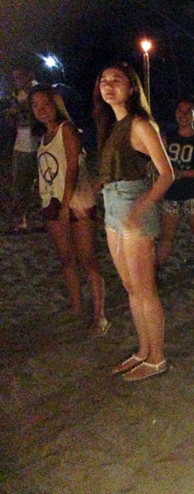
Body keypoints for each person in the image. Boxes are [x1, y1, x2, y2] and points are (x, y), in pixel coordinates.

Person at [93, 62, 174, 381]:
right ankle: (143, 350)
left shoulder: (140, 125)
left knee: (145, 288)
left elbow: (166, 174)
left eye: (116, 80)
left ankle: (158, 358)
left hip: (132, 203)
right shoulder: (112, 125)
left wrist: (141, 206)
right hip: (113, 206)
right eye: (104, 80)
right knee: (130, 287)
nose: (108, 85)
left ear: (132, 88)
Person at [31, 85, 109, 335]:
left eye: (46, 104)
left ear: (55, 104)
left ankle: (99, 315)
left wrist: (66, 206)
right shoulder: (44, 137)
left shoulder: (67, 130)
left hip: (77, 202)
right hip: (52, 202)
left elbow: (73, 168)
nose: (41, 110)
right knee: (66, 258)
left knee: (88, 259)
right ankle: (76, 306)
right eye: (35, 106)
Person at [156, 96, 194, 282]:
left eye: (188, 111)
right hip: (171, 193)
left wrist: (182, 173)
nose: (183, 115)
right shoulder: (168, 137)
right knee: (166, 235)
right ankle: (157, 269)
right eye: (180, 110)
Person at [7, 66, 39, 231]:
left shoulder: (39, 91)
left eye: (20, 76)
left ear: (30, 75)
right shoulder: (16, 94)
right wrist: (11, 115)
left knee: (45, 184)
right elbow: (14, 122)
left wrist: (20, 109)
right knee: (21, 184)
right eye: (15, 77)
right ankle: (22, 220)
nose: (18, 80)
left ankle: (46, 219)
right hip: (21, 143)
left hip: (40, 142)